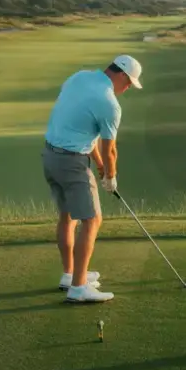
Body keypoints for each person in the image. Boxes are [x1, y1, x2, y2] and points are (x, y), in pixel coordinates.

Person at [41, 54, 143, 303]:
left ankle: (70, 275)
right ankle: (78, 288)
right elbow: (111, 149)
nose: (128, 88)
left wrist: (98, 164)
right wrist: (111, 177)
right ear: (119, 74)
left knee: (67, 217)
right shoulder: (110, 103)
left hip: (50, 156)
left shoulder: (79, 77)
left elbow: (84, 128)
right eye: (128, 82)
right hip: (73, 162)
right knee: (92, 220)